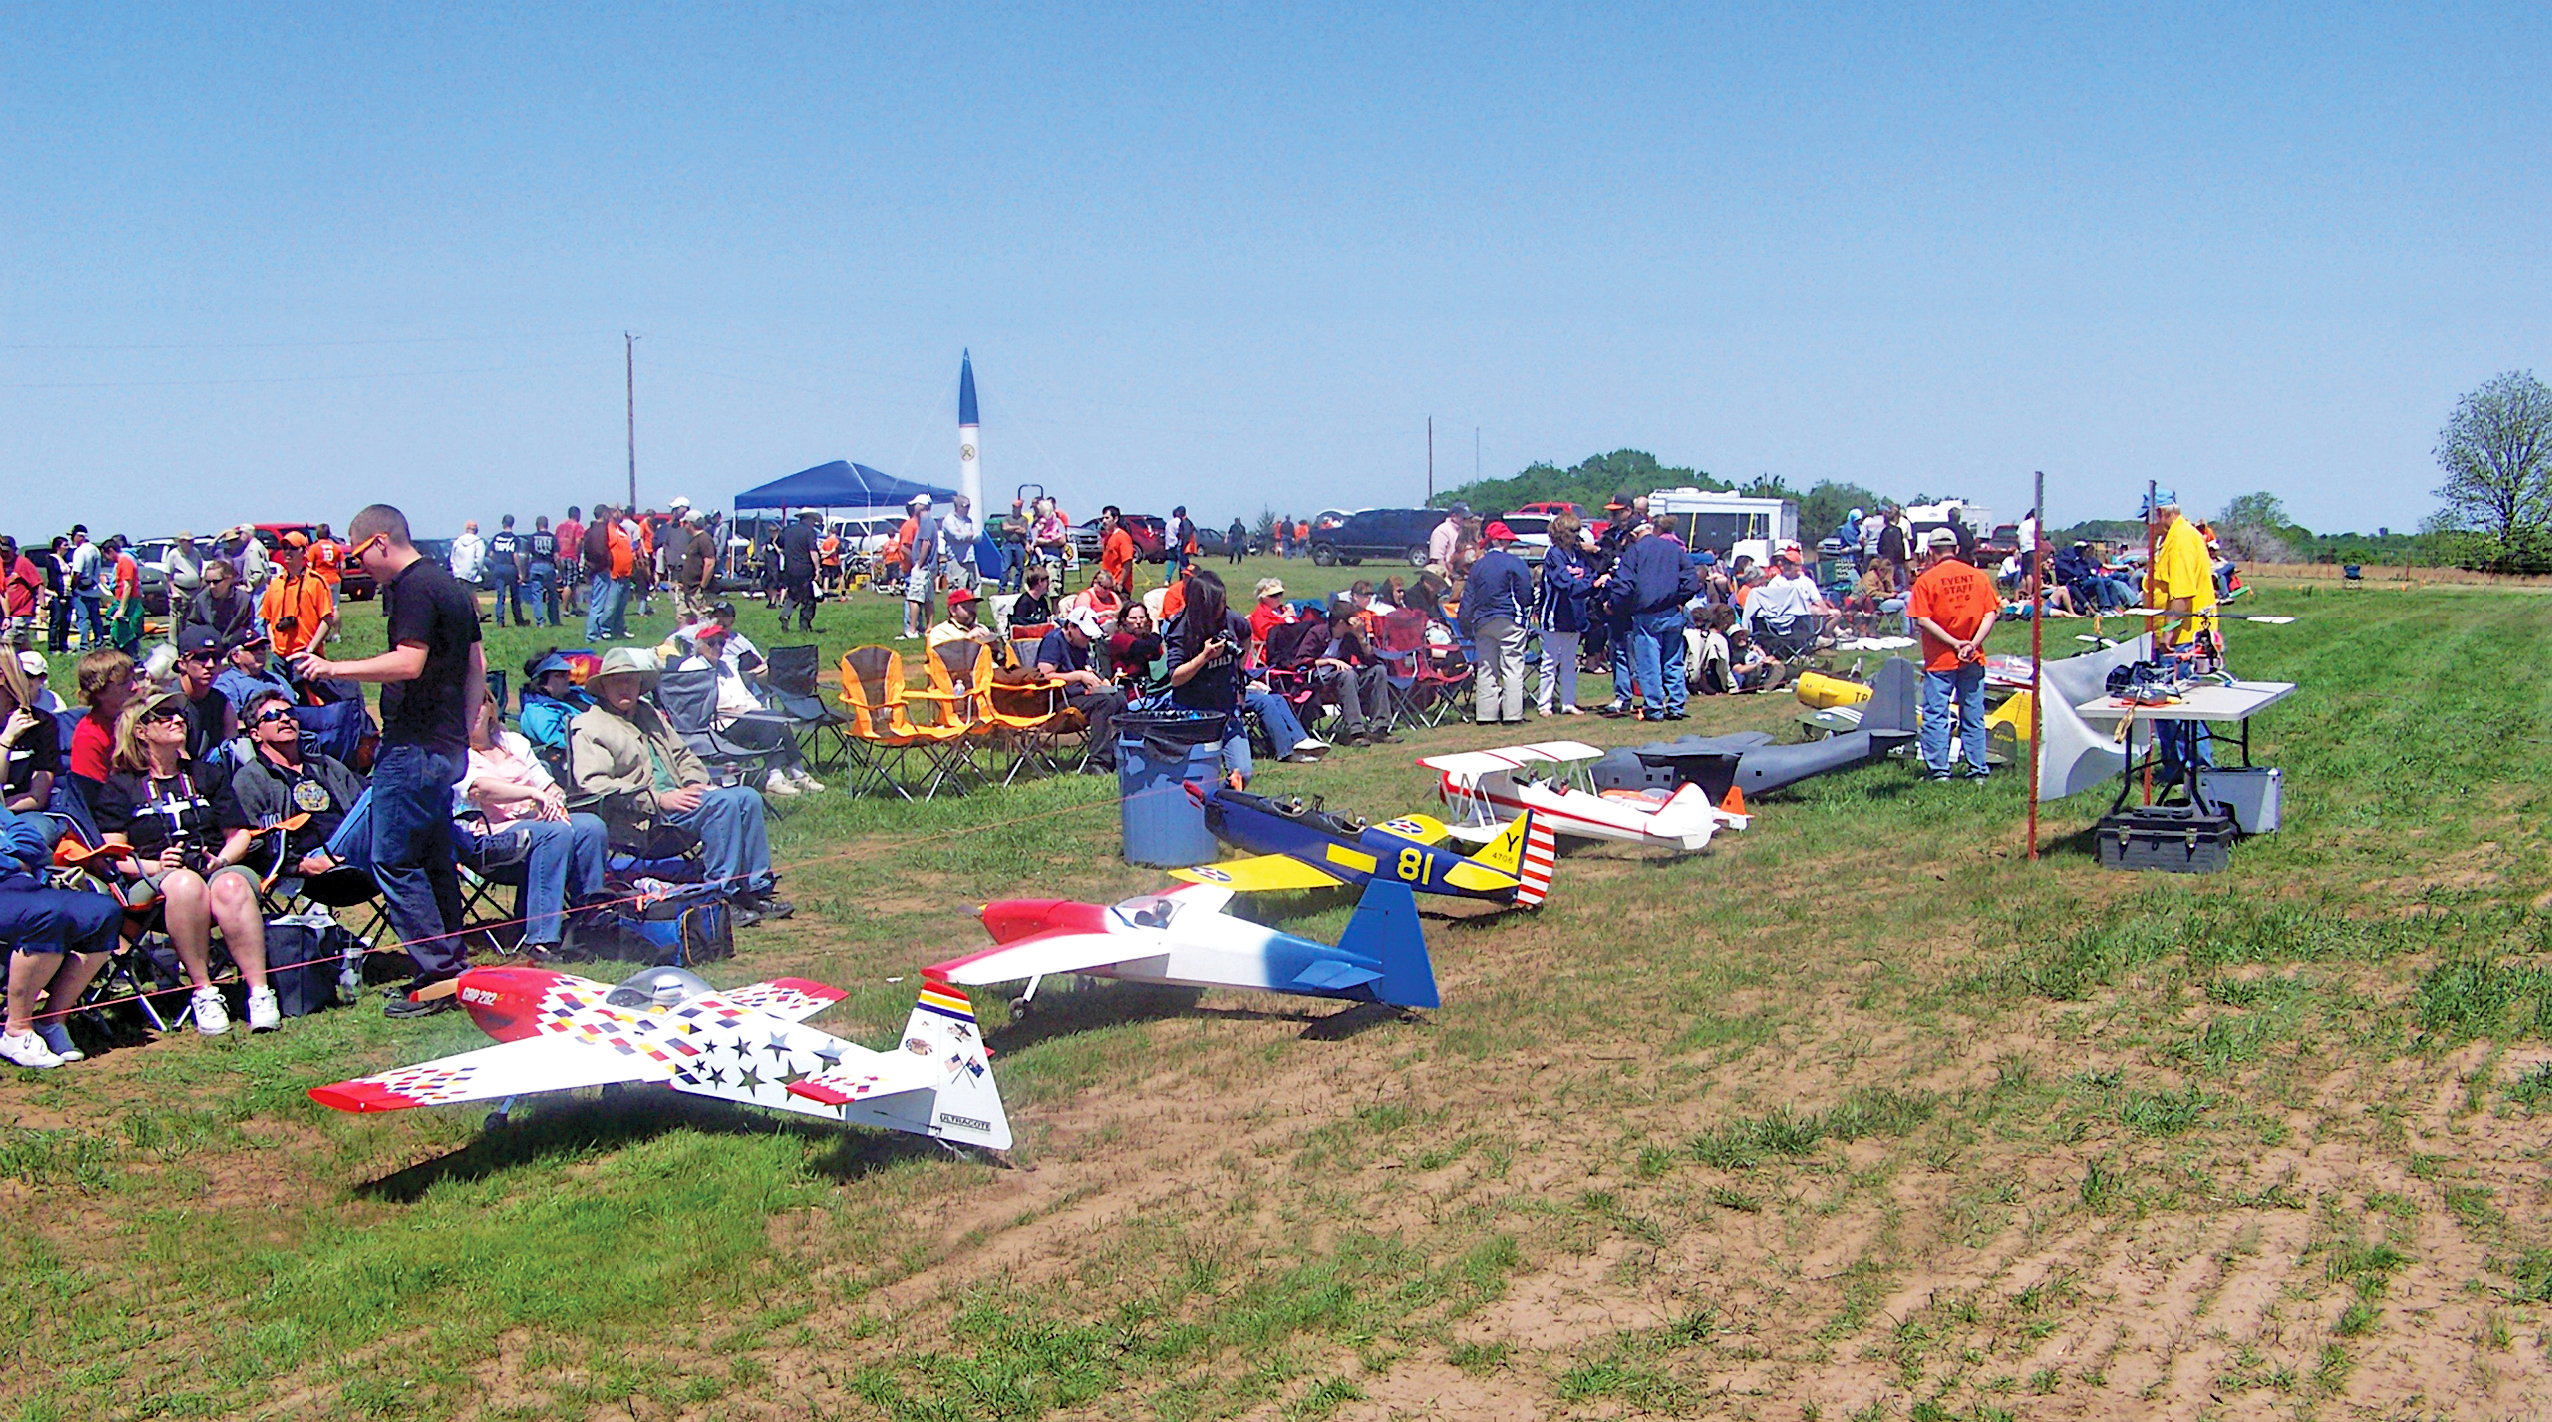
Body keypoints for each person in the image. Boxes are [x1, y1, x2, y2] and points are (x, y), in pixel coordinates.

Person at [293, 504, 485, 1015]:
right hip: (443, 746)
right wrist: (463, 735)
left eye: (359, 555)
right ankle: (453, 967)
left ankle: (440, 973)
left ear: (382, 541)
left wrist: (331, 667)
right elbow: (476, 668)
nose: (360, 568)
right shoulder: (451, 587)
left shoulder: (414, 589)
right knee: (433, 859)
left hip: (414, 746)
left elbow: (409, 662)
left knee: (394, 860)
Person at [93, 691, 279, 1033]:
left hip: (215, 870)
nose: (177, 719)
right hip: (152, 884)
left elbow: (239, 834)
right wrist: (155, 865)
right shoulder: (121, 786)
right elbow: (113, 855)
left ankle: (259, 992)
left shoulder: (206, 775)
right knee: (183, 883)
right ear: (141, 731)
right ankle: (204, 992)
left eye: (179, 714)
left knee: (232, 883)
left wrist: (220, 859)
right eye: (163, 716)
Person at [570, 647, 791, 925]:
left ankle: (755, 889)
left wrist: (695, 784)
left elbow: (683, 756)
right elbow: (594, 784)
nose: (625, 687)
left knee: (747, 797)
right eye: (617, 681)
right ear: (603, 687)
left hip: (682, 802)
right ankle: (720, 897)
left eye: (631, 680)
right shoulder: (590, 725)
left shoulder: (647, 714)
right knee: (722, 805)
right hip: (640, 820)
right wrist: (658, 799)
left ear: (640, 684)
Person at [453, 689, 608, 956]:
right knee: (554, 833)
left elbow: (547, 784)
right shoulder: (454, 753)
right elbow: (480, 789)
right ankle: (539, 938)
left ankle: (589, 921)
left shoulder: (512, 742)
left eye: (478, 703)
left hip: (534, 826)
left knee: (590, 827)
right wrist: (531, 794)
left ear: (490, 707)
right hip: (487, 837)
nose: (472, 711)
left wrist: (553, 797)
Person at [219, 687, 367, 903]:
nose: (285, 719)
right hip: (315, 863)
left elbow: (361, 808)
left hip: (355, 850)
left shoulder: (326, 766)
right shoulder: (251, 779)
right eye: (272, 716)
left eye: (291, 713)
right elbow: (252, 844)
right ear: (255, 733)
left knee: (385, 797)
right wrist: (299, 866)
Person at [0, 808, 119, 1068]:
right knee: (46, 916)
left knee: (102, 913)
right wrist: (14, 858)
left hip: (25, 886)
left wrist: (9, 857)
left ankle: (53, 1018)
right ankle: (16, 1030)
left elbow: (34, 844)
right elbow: (23, 850)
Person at [679, 622, 823, 796]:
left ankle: (796, 771)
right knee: (768, 722)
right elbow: (697, 708)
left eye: (721, 643)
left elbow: (745, 695)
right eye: (712, 643)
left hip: (742, 717)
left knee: (776, 719)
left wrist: (758, 710)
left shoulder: (727, 666)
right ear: (699, 646)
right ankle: (776, 776)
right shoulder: (691, 669)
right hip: (719, 724)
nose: (718, 647)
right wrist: (749, 714)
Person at [1906, 528, 1998, 781]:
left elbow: (1923, 620)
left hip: (1940, 659)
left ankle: (1939, 771)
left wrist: (1954, 643)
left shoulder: (1926, 580)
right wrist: (1971, 643)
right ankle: (1978, 770)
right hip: (1973, 656)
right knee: (1973, 713)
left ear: (1932, 552)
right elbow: (1990, 613)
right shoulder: (1978, 577)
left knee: (1937, 714)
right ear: (1956, 550)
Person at [1163, 569, 1270, 787]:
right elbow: (1175, 678)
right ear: (1204, 605)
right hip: (1192, 712)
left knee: (1244, 774)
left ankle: (1214, 800)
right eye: (1218, 603)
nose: (1223, 608)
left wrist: (1239, 671)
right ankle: (1200, 804)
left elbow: (1246, 634)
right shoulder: (1181, 628)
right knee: (1193, 777)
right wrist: (1203, 657)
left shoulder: (1230, 619)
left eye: (1224, 601)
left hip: (1226, 709)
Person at [2143, 488, 2222, 780]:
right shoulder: (2170, 538)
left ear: (2161, 513)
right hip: (2170, 636)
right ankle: (2174, 767)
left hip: (2182, 639)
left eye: (2148, 519)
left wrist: (2168, 632)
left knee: (2181, 708)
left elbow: (2182, 595)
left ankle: (2199, 770)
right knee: (2164, 708)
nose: (2146, 526)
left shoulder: (2183, 540)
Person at [1606, 521, 1699, 722]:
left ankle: (1654, 707)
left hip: (1647, 614)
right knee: (1673, 661)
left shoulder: (1634, 552)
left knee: (1649, 664)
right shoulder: (1673, 549)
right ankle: (1676, 705)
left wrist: (1613, 605)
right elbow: (1692, 580)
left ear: (1633, 534)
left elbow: (1625, 585)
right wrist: (1679, 599)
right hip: (1673, 612)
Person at [1459, 522, 1535, 726]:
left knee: (1486, 668)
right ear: (1500, 540)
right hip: (1509, 618)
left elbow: (1468, 599)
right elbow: (1525, 594)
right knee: (1512, 668)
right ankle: (1512, 715)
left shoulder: (1478, 566)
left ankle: (1486, 715)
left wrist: (1465, 625)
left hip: (1483, 621)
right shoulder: (1515, 563)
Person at [1035, 608, 1127, 770]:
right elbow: (1043, 676)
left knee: (1119, 698)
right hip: (1057, 701)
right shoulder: (1054, 641)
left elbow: (1086, 669)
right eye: (1084, 634)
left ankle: (1119, 754)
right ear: (1071, 626)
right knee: (1104, 703)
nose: (1088, 638)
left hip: (1079, 696)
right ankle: (1098, 761)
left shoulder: (1080, 643)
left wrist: (1101, 680)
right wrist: (1078, 676)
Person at [1535, 512, 1596, 716]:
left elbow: (1589, 573)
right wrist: (1585, 582)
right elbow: (1563, 582)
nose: (1577, 535)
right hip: (1554, 614)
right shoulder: (1553, 555)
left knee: (1570, 661)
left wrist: (1587, 580)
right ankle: (1545, 703)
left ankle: (1568, 702)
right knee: (1550, 661)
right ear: (1562, 533)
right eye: (1573, 531)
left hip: (1575, 614)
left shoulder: (1578, 554)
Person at [1312, 602, 1394, 746]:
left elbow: (1369, 660)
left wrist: (1361, 638)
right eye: (1353, 620)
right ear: (1341, 622)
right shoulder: (1317, 632)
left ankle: (1380, 728)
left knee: (1378, 670)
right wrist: (1329, 661)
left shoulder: (1349, 637)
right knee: (1348, 674)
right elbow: (1301, 662)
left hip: (1346, 678)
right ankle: (1356, 732)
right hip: (1321, 679)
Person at [259, 532, 338, 661]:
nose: (288, 552)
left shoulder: (315, 582)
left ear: (304, 552)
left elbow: (327, 619)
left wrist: (310, 649)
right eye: (285, 548)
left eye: (294, 548)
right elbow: (268, 619)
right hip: (279, 655)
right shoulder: (276, 583)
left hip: (304, 654)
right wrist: (273, 645)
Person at [67, 648, 138, 792]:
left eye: (134, 678)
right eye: (124, 683)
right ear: (100, 692)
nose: (135, 687)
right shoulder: (89, 737)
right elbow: (92, 795)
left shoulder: (143, 718)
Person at [0, 653, 57, 815]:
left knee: (35, 832)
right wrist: (6, 740)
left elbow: (38, 797)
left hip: (25, 813)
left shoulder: (41, 723)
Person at [170, 627, 235, 762]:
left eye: (216, 658)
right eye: (201, 658)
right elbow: (177, 756)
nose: (210, 665)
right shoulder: (169, 702)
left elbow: (233, 747)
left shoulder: (221, 702)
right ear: (182, 664)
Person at [184, 557, 260, 650]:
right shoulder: (201, 599)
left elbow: (247, 629)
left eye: (216, 582)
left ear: (228, 580)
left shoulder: (243, 600)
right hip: (208, 648)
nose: (211, 586)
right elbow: (192, 624)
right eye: (208, 582)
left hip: (234, 647)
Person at [899, 495, 941, 639]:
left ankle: (912, 630)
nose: (913, 507)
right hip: (930, 566)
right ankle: (929, 628)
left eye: (915, 504)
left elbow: (925, 543)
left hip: (923, 566)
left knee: (914, 598)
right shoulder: (930, 521)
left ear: (922, 506)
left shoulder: (926, 521)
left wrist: (919, 563)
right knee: (928, 598)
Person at [1103, 602, 1167, 691]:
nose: (1138, 622)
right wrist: (1155, 625)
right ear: (1124, 620)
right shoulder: (1120, 638)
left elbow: (1158, 656)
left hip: (1153, 688)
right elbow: (1145, 648)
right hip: (1131, 692)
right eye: (1133, 618)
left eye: (1142, 618)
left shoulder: (1148, 639)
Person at [776, 510, 820, 634]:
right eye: (813, 521)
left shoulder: (787, 530)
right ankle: (804, 626)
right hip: (804, 569)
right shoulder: (809, 532)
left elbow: (779, 544)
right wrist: (817, 569)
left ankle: (785, 613)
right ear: (809, 519)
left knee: (793, 594)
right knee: (808, 599)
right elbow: (813, 552)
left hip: (789, 569)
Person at [485, 515, 526, 627]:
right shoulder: (515, 538)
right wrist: (520, 572)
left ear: (503, 523)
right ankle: (518, 620)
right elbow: (516, 555)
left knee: (500, 595)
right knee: (515, 596)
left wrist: (496, 561)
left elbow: (489, 553)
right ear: (512, 524)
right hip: (510, 567)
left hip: (499, 568)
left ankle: (500, 620)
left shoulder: (497, 537)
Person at [65, 526, 102, 649]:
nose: (71, 539)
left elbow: (77, 572)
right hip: (95, 589)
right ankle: (99, 642)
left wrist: (72, 586)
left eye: (72, 536)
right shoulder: (95, 549)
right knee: (95, 618)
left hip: (82, 590)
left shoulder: (80, 551)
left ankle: (84, 645)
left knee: (83, 618)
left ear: (79, 536)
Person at [1, 537, 42, 649]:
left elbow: (38, 584)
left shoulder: (23, 563)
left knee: (6, 643)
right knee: (21, 645)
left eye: (6, 552)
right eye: (1, 551)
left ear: (14, 550)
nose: (4, 555)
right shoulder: (1, 564)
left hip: (21, 612)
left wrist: (42, 608)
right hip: (6, 614)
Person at [524, 514, 560, 627]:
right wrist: (559, 569)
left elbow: (526, 555)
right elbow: (557, 556)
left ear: (537, 525)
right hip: (549, 566)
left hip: (535, 566)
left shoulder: (532, 537)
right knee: (552, 595)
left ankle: (540, 621)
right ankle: (554, 619)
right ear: (547, 525)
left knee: (537, 595)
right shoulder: (552, 537)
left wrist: (525, 570)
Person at [941, 493, 980, 592]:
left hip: (970, 559)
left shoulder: (969, 520)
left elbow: (979, 536)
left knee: (972, 588)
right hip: (957, 561)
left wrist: (966, 535)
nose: (968, 509)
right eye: (966, 506)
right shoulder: (949, 520)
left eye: (969, 506)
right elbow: (957, 536)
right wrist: (968, 535)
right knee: (957, 590)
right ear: (958, 506)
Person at [1098, 506, 1137, 599]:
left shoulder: (1122, 537)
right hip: (1108, 583)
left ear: (1115, 519)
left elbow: (1127, 562)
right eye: (1102, 518)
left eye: (1107, 518)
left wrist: (1120, 582)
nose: (1104, 521)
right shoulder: (1108, 537)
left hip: (1119, 586)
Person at [555, 506, 586, 617]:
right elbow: (578, 541)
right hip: (571, 556)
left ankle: (575, 607)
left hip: (560, 557)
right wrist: (577, 555)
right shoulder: (577, 526)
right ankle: (564, 609)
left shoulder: (560, 526)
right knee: (569, 584)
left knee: (570, 582)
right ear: (577, 515)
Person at [1247, 577, 1295, 647]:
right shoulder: (1260, 613)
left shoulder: (1282, 609)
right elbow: (1267, 635)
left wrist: (1292, 617)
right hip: (1270, 650)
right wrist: (1283, 619)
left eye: (1280, 594)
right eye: (1274, 595)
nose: (1278, 598)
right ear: (1263, 597)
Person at [448, 520, 488, 600]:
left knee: (459, 597)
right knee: (471, 597)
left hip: (458, 573)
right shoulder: (478, 542)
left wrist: (455, 570)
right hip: (471, 574)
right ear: (476, 530)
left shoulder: (458, 541)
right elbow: (480, 559)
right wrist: (479, 571)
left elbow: (452, 558)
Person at [1428, 503, 1468, 576]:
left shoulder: (1461, 530)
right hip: (1444, 574)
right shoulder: (1441, 531)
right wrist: (1447, 576)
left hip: (1458, 572)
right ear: (1454, 516)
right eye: (1463, 518)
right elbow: (1438, 559)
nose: (1465, 520)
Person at [1165, 506, 1195, 580]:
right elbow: (1186, 533)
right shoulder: (1181, 521)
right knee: (1183, 563)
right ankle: (1184, 579)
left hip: (1169, 544)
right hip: (1178, 544)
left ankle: (1168, 579)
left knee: (1172, 562)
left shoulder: (1169, 522)